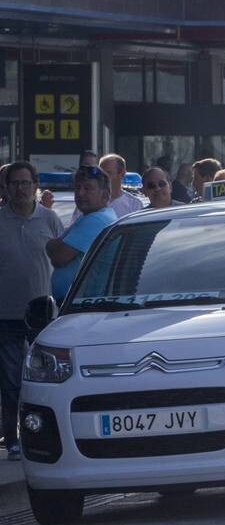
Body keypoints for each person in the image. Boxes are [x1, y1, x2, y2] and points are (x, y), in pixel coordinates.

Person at [0, 161, 65, 460]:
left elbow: (63, 261)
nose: (20, 189)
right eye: (14, 183)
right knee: (11, 379)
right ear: (6, 187)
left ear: (35, 185)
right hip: (6, 313)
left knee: (43, 379)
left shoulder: (50, 220)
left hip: (44, 315)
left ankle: (44, 434)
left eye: (26, 183)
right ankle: (12, 439)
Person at [47, 165, 117, 302]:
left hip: (84, 304)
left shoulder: (97, 219)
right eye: (77, 187)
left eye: (88, 188)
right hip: (79, 302)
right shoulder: (90, 216)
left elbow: (58, 257)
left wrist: (51, 243)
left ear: (105, 194)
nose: (80, 193)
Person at [98, 154, 142, 218]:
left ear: (122, 173)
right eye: (100, 173)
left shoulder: (134, 205)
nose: (102, 177)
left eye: (107, 173)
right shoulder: (90, 202)